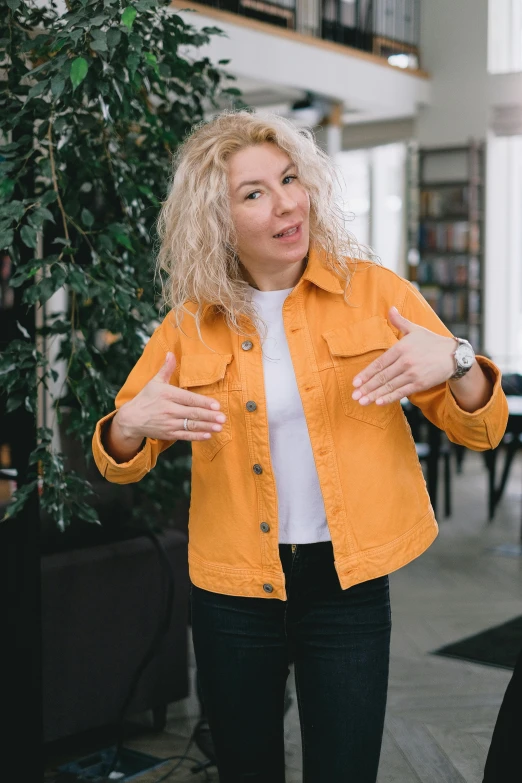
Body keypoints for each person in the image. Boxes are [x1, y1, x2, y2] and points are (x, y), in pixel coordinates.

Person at [92, 111, 508, 783]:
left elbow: (481, 429)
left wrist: (459, 359)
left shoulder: (377, 295)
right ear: (217, 219)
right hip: (231, 590)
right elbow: (120, 453)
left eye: (290, 178)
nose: (287, 201)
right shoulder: (191, 324)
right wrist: (130, 423)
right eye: (254, 192)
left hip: (346, 585)